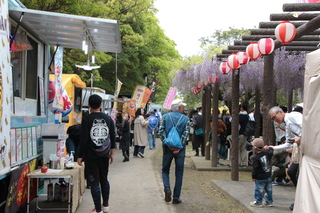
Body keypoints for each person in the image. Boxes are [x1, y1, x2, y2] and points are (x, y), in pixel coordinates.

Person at [77, 94, 116, 213]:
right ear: (101, 105)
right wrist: (112, 152)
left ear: (88, 105)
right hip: (104, 154)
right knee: (104, 179)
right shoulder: (108, 118)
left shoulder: (87, 119)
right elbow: (113, 136)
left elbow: (83, 139)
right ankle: (106, 206)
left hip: (91, 155)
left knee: (94, 182)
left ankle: (98, 210)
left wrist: (80, 156)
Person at [267, 106, 302, 211]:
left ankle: (301, 199)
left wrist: (301, 138)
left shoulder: (293, 116)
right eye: (272, 119)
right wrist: (274, 147)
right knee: (292, 172)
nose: (275, 120)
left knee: (296, 172)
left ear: (280, 112)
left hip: (307, 150)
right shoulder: (287, 125)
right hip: (300, 152)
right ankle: (299, 198)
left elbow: (308, 127)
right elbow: (287, 143)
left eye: (274, 117)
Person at [159, 99, 190, 204]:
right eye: (183, 107)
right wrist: (178, 147)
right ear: (180, 107)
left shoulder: (165, 117)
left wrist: (168, 143)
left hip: (167, 149)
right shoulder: (186, 118)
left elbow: (160, 131)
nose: (183, 109)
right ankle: (176, 197)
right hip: (180, 150)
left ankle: (167, 188)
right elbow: (186, 134)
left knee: (165, 170)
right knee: (179, 173)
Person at [250, 138, 274, 208]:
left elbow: (255, 168)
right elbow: (271, 152)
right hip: (268, 175)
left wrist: (253, 176)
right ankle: (269, 201)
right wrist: (269, 148)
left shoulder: (256, 157)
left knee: (259, 189)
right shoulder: (267, 154)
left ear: (255, 148)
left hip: (260, 177)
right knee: (269, 189)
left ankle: (258, 202)